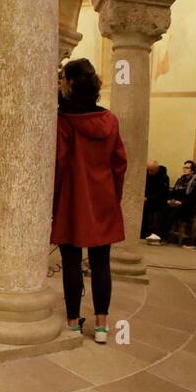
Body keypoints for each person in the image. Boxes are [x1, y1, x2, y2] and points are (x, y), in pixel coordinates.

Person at [53, 57, 127, 345]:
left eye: (62, 80)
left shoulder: (63, 121)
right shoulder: (110, 120)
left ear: (69, 84)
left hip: (72, 200)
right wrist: (113, 196)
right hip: (103, 199)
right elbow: (120, 163)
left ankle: (73, 322)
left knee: (71, 262)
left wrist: (53, 202)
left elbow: (58, 163)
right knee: (101, 263)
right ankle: (101, 325)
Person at [165, 159, 196, 241]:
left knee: (173, 212)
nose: (184, 169)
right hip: (176, 204)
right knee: (163, 208)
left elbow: (194, 198)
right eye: (184, 167)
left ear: (192, 171)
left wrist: (181, 202)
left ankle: (164, 236)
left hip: (187, 207)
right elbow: (173, 192)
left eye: (187, 168)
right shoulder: (180, 180)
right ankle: (158, 234)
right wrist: (170, 200)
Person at [142, 160, 170, 240]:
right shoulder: (146, 175)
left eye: (152, 171)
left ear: (157, 169)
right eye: (148, 170)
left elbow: (161, 193)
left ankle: (156, 234)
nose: (150, 173)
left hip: (159, 201)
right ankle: (143, 233)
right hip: (147, 199)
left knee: (159, 212)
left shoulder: (164, 177)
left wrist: (148, 198)